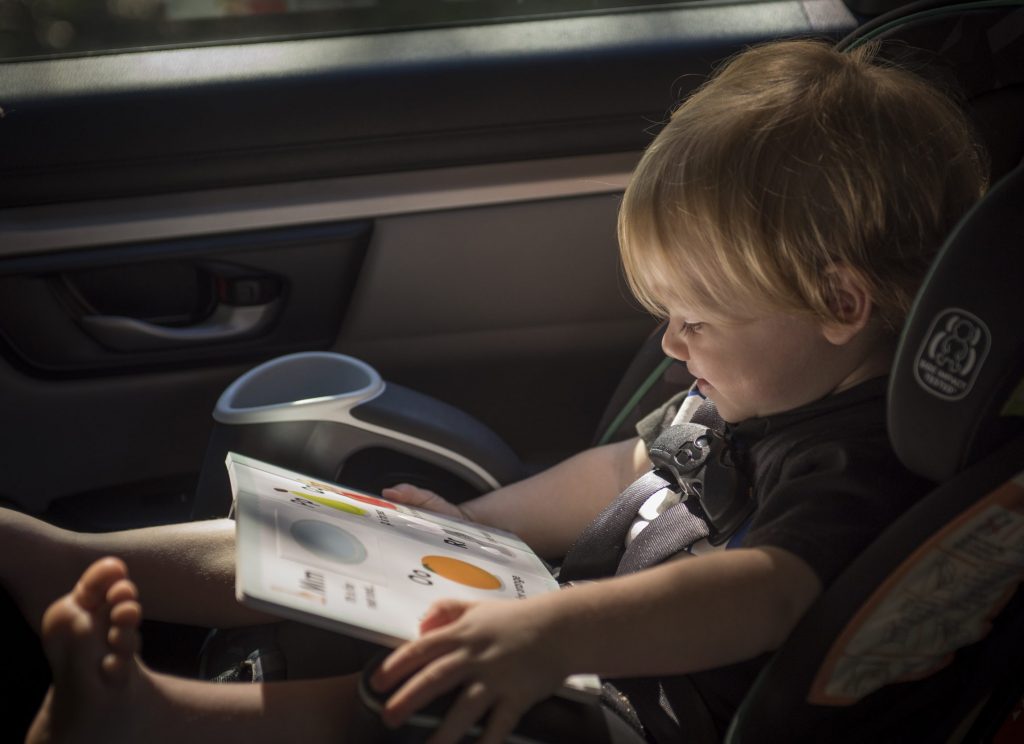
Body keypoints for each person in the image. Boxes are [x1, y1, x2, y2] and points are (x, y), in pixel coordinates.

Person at [6, 37, 987, 743]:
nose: (670, 339)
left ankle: (159, 719)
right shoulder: (755, 386)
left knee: (429, 691)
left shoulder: (859, 460)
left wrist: (550, 634)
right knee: (336, 529)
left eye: (698, 317)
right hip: (577, 619)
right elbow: (622, 467)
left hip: (633, 710)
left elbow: (762, 594)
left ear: (840, 304)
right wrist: (476, 526)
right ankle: (65, 559)